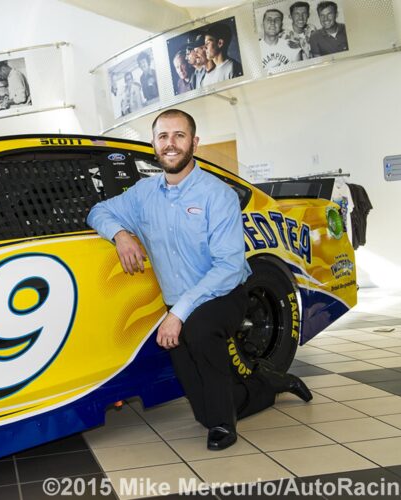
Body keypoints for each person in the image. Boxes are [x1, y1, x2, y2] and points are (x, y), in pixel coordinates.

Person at [87, 109, 312, 451]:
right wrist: (120, 234)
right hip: (180, 303)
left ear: (194, 142)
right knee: (202, 412)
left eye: (179, 136)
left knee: (199, 330)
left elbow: (228, 267)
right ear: (154, 145)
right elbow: (97, 211)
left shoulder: (216, 195)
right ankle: (268, 384)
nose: (171, 144)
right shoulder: (143, 194)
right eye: (163, 137)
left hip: (224, 295)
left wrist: (178, 314)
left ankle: (224, 426)